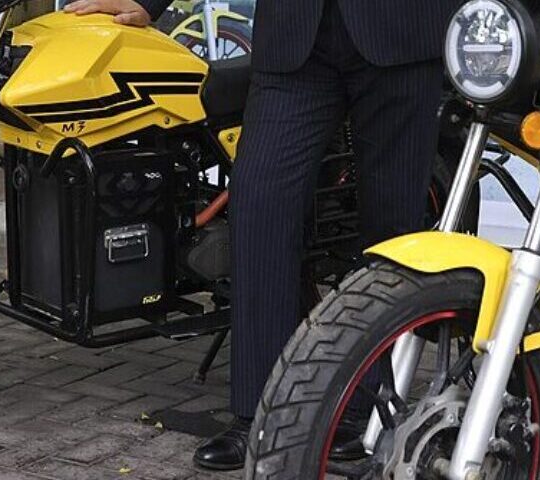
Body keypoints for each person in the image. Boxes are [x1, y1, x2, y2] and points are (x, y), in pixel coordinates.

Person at [65, 0, 459, 471]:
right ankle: (258, 414)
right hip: (295, 39)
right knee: (258, 204)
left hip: (404, 33)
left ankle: (362, 410)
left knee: (391, 230)